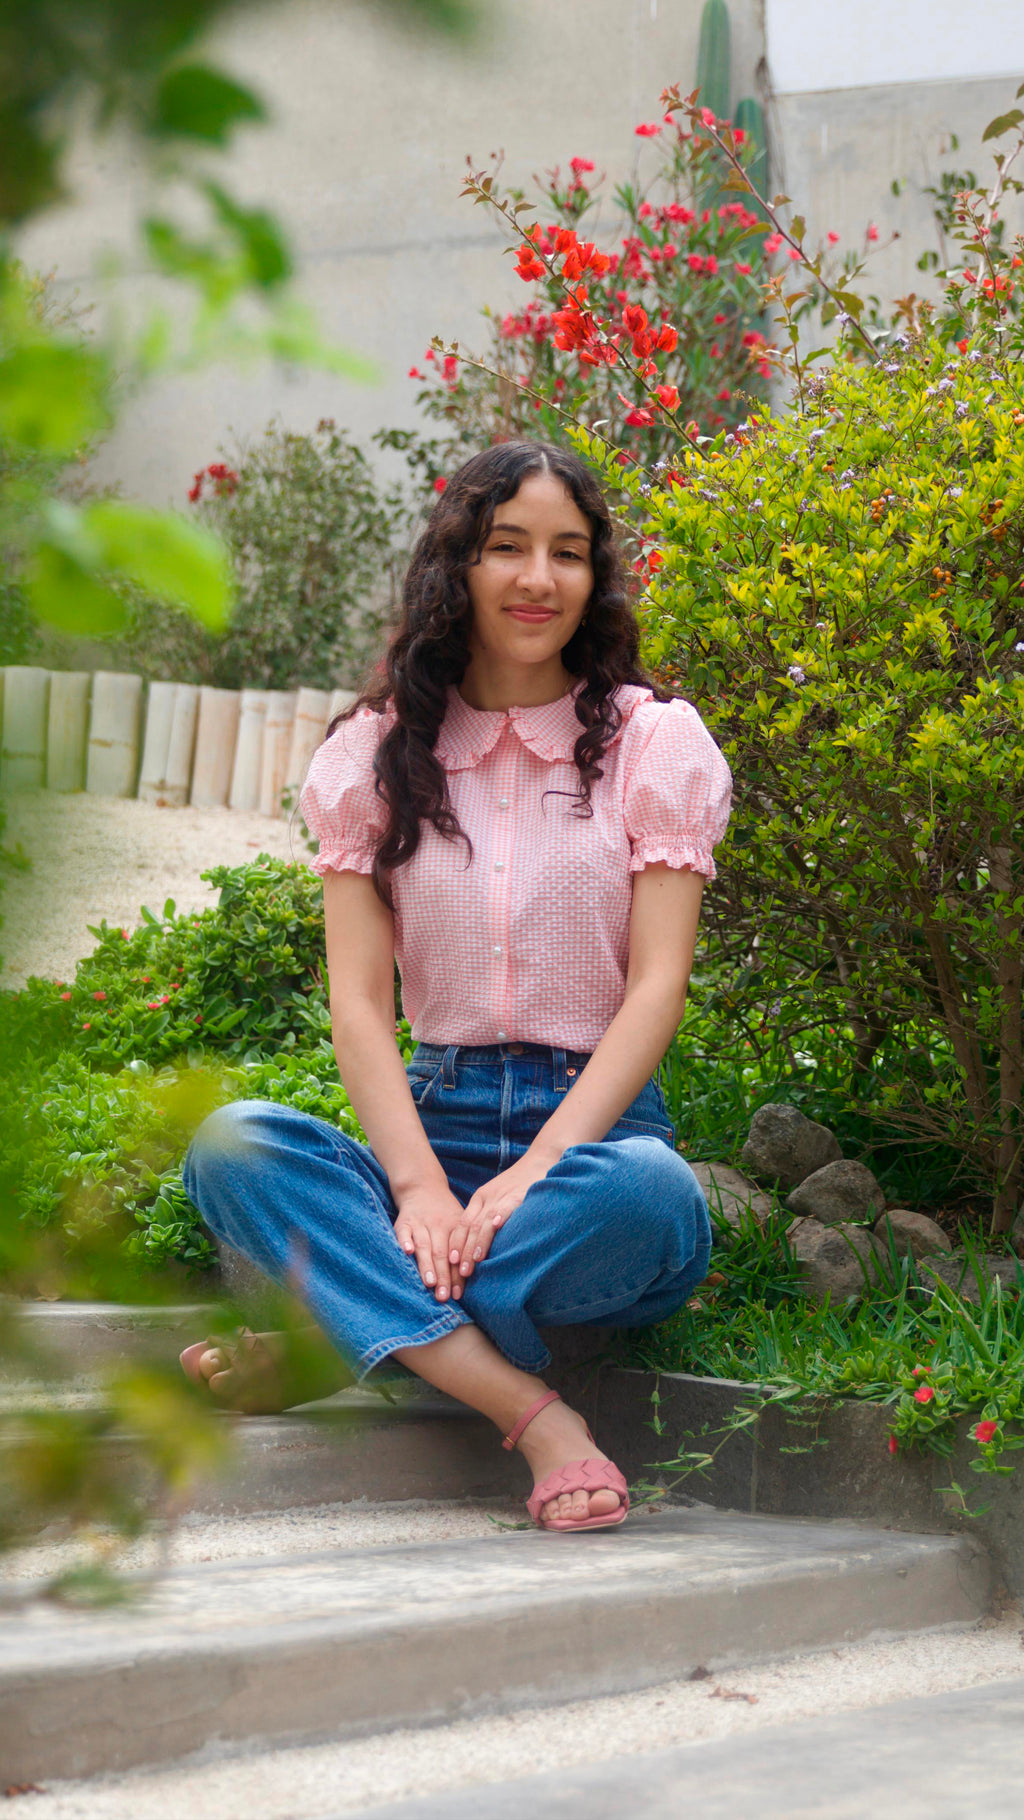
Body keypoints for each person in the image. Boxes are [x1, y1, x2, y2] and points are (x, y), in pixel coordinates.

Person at [180, 439, 732, 1532]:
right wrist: (422, 1187)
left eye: (567, 553)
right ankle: (531, 1409)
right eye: (506, 546)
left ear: (595, 577)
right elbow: (357, 1006)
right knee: (231, 1140)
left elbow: (656, 986)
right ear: (457, 567)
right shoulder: (376, 755)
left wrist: (538, 1166)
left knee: (658, 1198)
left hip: (597, 1140)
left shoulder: (650, 745)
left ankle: (348, 1327)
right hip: (434, 1126)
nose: (538, 578)